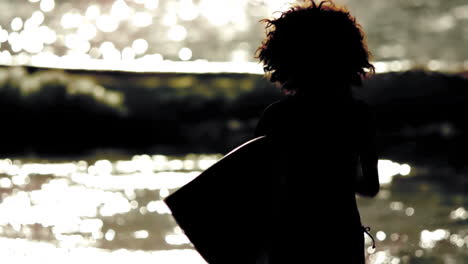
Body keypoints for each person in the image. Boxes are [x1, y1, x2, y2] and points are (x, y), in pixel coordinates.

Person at [253, 1, 380, 263]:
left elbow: (257, 190)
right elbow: (370, 186)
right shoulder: (359, 115)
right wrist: (337, 175)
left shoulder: (277, 116)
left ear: (282, 59)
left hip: (291, 238)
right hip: (340, 237)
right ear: (350, 57)